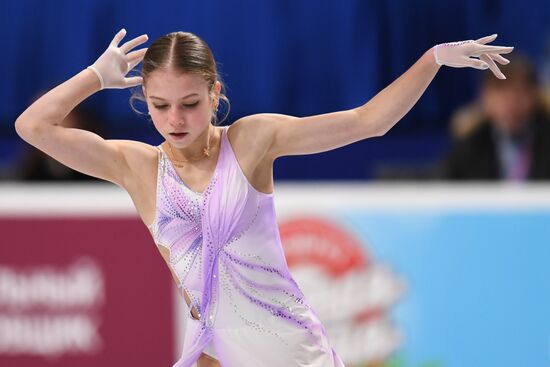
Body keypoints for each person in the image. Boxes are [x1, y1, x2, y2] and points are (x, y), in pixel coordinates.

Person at [14, 28, 513, 367]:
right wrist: (95, 77)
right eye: (160, 105)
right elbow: (31, 127)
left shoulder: (250, 141)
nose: (175, 120)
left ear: (214, 94)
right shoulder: (138, 167)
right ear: (143, 101)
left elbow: (369, 122)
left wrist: (432, 60)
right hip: (217, 354)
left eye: (190, 104)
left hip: (294, 353)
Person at [441, 54, 550, 180]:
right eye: (501, 92)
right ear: (485, 96)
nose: (511, 102)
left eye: (519, 91)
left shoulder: (546, 138)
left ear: (534, 95)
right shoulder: (468, 147)